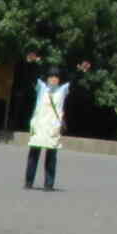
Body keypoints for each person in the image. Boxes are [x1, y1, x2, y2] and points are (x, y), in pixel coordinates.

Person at [22, 56, 91, 190]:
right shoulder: (41, 88)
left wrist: (81, 71)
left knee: (51, 157)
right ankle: (28, 182)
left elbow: (74, 82)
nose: (53, 79)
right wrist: (31, 63)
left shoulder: (62, 90)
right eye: (51, 76)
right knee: (33, 155)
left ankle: (49, 184)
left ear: (59, 79)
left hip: (53, 128)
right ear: (47, 78)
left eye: (56, 77)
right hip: (39, 126)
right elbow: (31, 76)